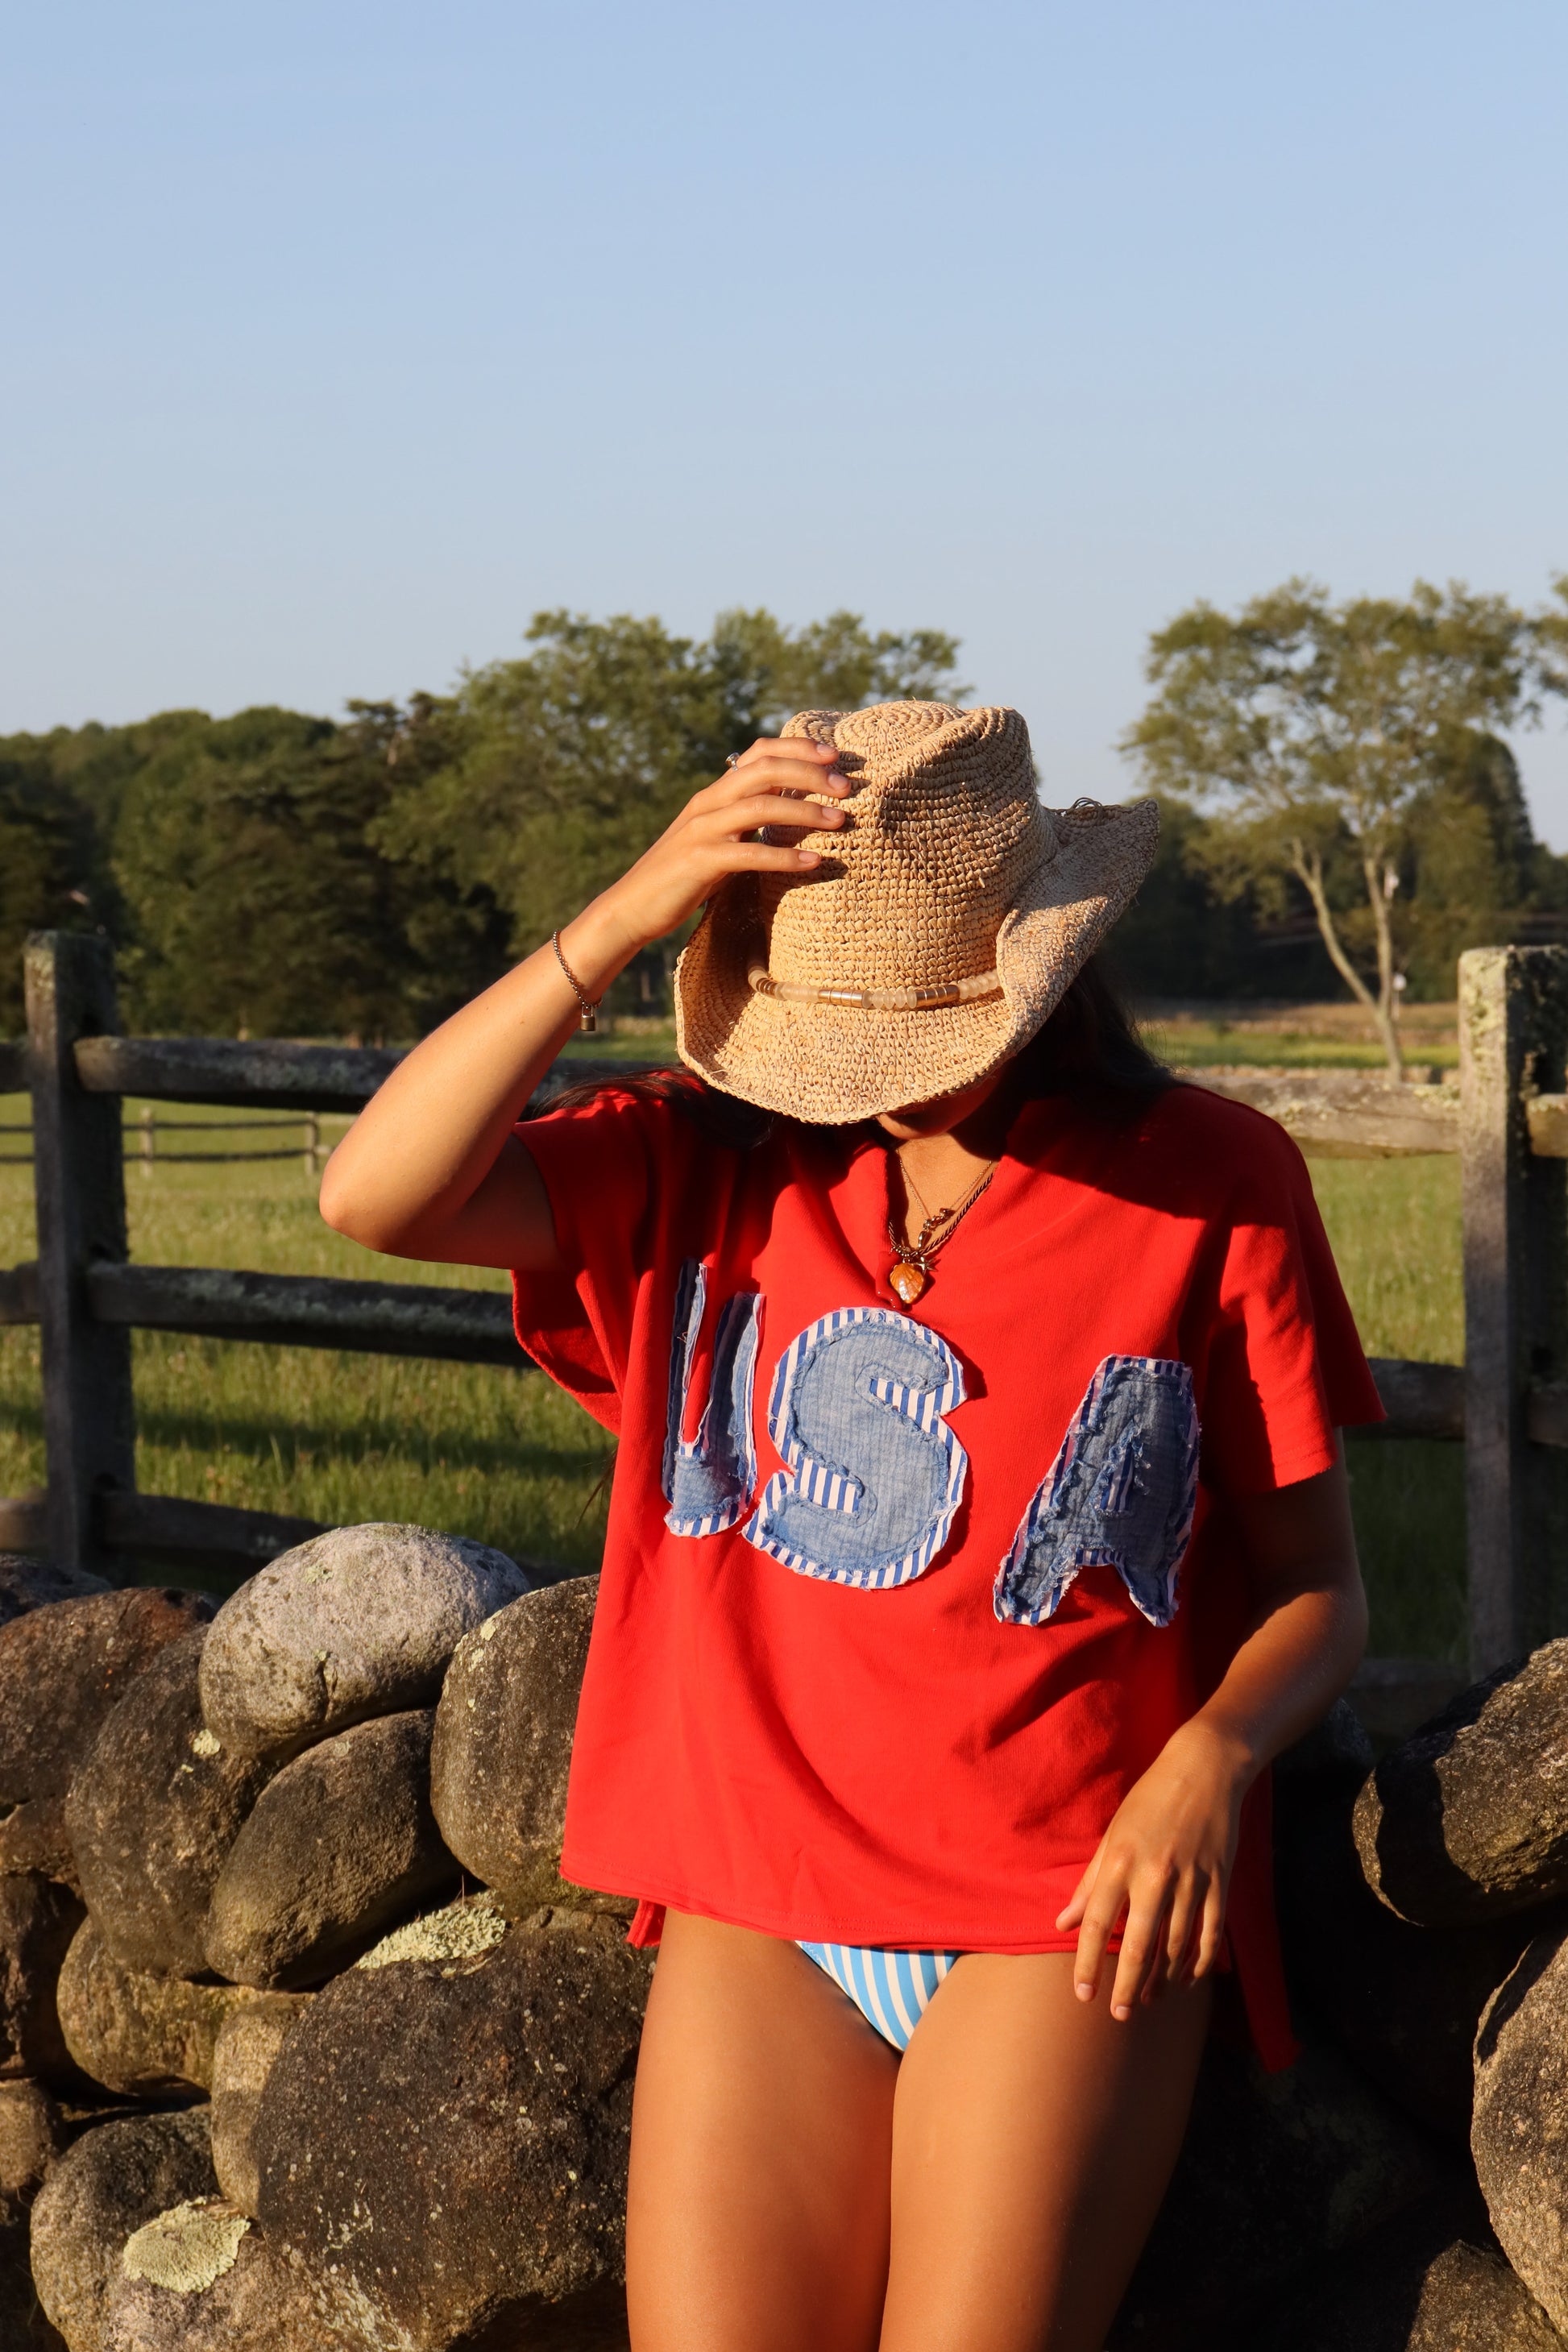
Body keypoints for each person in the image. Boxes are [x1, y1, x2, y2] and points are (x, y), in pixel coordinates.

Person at [320, 699, 1379, 2352]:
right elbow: (371, 1193)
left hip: (1063, 1908)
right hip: (759, 1903)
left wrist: (1209, 1763)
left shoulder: (1208, 1179)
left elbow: (1319, 1587)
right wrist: (626, 914)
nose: (870, 1081)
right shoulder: (698, 1164)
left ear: (1039, 964)